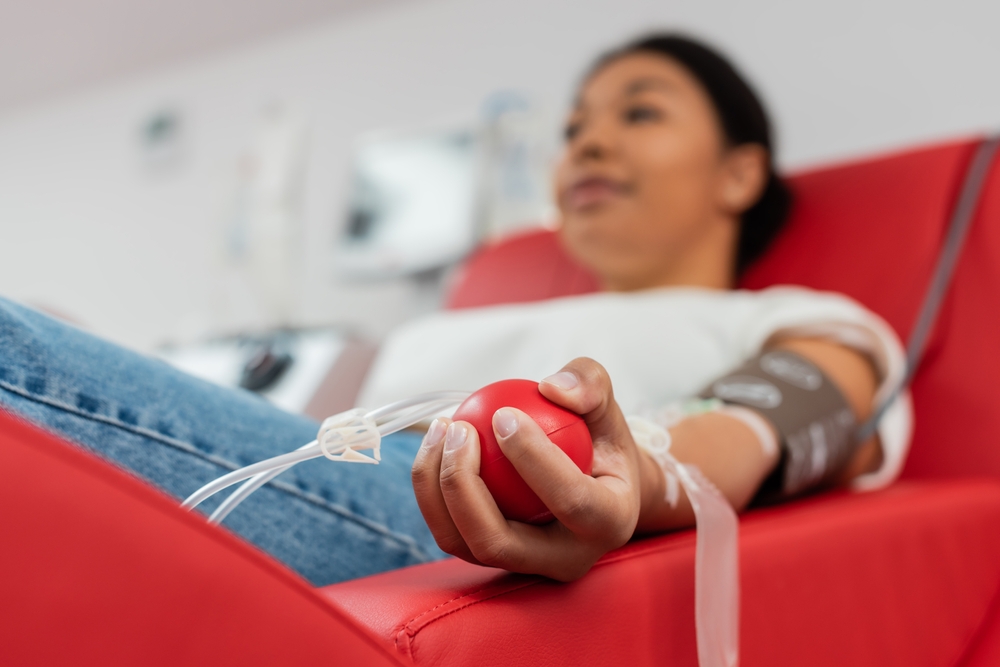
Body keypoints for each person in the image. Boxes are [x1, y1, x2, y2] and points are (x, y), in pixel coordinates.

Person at [0, 34, 908, 587]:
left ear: (740, 173)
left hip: (445, 502)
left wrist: (629, 476)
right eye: (575, 128)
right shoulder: (454, 318)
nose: (589, 140)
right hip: (311, 451)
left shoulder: (798, 318)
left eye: (639, 114)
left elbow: (750, 428)